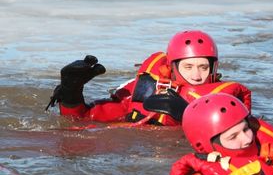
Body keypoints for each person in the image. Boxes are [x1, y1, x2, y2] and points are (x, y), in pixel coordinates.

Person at [46, 30, 251, 126]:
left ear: (214, 68)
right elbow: (78, 120)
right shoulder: (146, 85)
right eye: (188, 66)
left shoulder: (226, 100)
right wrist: (71, 92)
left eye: (203, 67)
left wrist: (187, 116)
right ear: (172, 66)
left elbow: (237, 139)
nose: (197, 75)